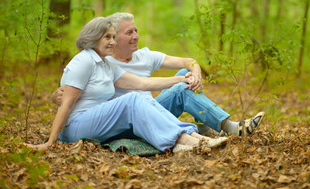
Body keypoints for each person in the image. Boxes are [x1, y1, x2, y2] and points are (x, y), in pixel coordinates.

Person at [26, 17, 228, 153]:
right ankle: (186, 141)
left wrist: (180, 79)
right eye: (107, 37)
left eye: (114, 37)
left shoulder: (106, 65)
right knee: (131, 100)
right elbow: (66, 104)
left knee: (137, 96)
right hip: (74, 127)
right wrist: (51, 141)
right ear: (93, 38)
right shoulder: (83, 61)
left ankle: (191, 135)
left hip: (96, 123)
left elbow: (141, 83)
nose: (112, 42)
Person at [52, 12, 265, 137]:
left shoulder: (144, 56)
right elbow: (77, 89)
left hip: (154, 108)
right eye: (129, 33)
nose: (136, 36)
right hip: (127, 118)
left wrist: (196, 71)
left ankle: (207, 123)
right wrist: (57, 96)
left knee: (185, 73)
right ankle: (226, 127)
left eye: (136, 31)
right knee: (182, 84)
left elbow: (186, 62)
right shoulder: (104, 61)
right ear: (114, 38)